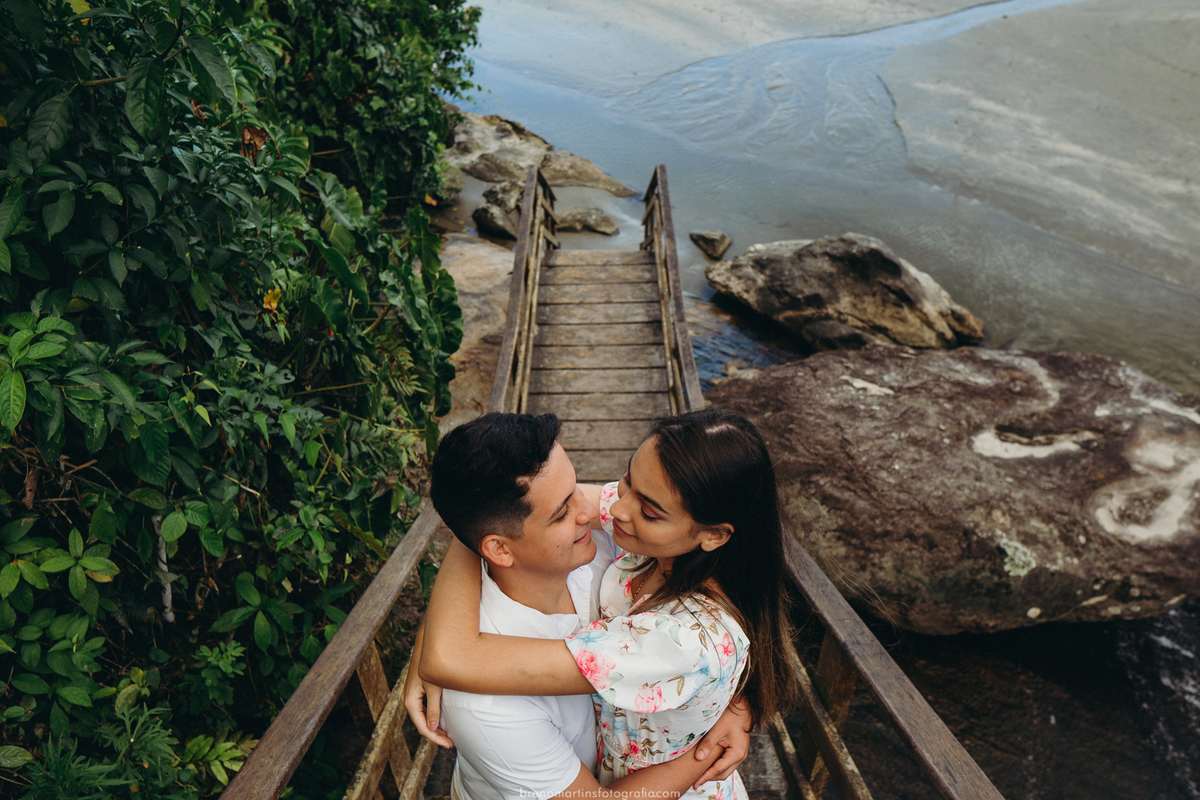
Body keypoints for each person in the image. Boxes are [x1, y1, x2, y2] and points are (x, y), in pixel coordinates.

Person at [413, 409, 796, 800]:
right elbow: (494, 511)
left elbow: (447, 658)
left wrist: (711, 743)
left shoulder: (678, 637)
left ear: (714, 534)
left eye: (647, 510)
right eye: (626, 481)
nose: (611, 511)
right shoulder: (655, 537)